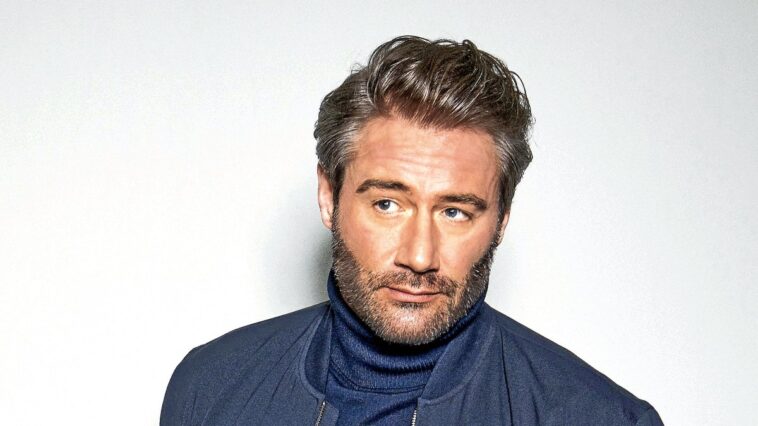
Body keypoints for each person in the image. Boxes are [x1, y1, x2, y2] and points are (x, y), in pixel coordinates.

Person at [160, 36, 663, 425]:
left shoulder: (598, 417)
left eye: (455, 212)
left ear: (501, 220)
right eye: (387, 204)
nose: (419, 256)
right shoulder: (209, 387)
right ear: (329, 197)